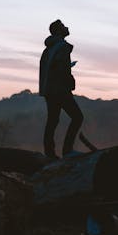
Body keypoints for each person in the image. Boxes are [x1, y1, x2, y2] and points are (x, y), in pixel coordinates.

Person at [39, 19, 85, 159]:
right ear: (59, 31)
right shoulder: (62, 47)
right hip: (60, 90)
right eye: (64, 26)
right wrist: (70, 81)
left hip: (49, 90)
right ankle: (67, 150)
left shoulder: (48, 49)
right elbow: (61, 69)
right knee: (77, 117)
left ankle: (50, 153)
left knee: (52, 120)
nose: (67, 27)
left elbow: (51, 69)